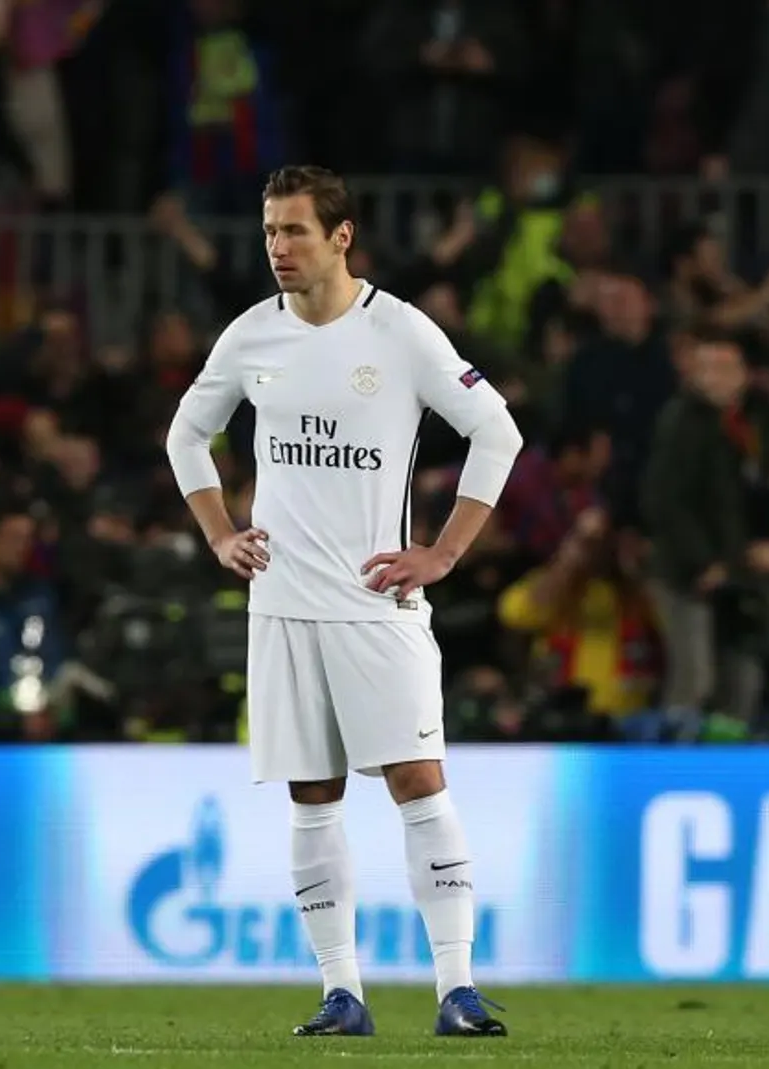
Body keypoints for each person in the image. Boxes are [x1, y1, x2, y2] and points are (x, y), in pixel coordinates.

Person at [164, 166, 523, 1038]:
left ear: (341, 236)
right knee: (312, 795)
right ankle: (341, 993)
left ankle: (457, 988)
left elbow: (496, 430)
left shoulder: (399, 331)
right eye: (269, 234)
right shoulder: (251, 336)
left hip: (374, 603)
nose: (278, 249)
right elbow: (185, 432)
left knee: (417, 782)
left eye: (294, 231)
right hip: (282, 606)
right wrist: (220, 533)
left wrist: (441, 552)